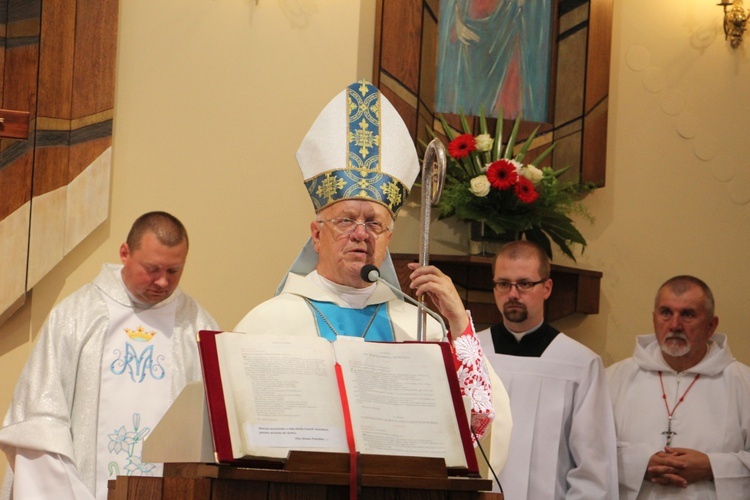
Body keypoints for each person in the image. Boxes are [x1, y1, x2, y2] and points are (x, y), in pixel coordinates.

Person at [233, 80, 511, 476]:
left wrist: (458, 323)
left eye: (374, 223)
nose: (360, 233)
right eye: (345, 220)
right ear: (316, 234)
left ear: (388, 239)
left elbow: (484, 432)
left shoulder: (419, 326)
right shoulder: (268, 323)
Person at [0, 211, 219, 500]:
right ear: (125, 253)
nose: (163, 282)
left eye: (174, 271)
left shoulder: (197, 327)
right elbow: (40, 419)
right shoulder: (77, 315)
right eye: (152, 269)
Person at [476, 240, 618, 498]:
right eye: (503, 284)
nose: (513, 294)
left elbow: (593, 469)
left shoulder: (579, 364)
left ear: (547, 287)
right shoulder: (469, 353)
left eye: (525, 284)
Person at [606, 275, 750, 499]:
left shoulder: (743, 382)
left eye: (688, 314)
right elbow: (589, 450)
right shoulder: (613, 378)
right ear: (654, 318)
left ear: (711, 325)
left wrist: (712, 467)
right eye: (666, 313)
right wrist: (641, 464)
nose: (674, 325)